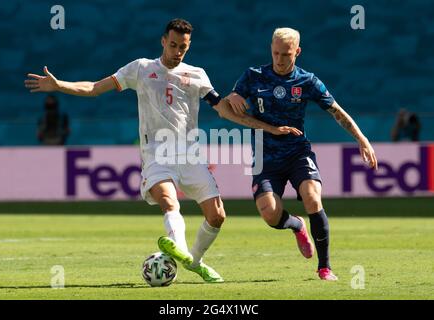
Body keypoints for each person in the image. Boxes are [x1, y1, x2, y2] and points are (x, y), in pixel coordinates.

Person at [24, 19, 301, 283]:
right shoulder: (140, 69)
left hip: (190, 155)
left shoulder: (197, 75)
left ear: (188, 46)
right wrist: (60, 85)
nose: (178, 51)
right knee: (170, 202)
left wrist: (267, 127)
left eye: (183, 47)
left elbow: (224, 111)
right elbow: (96, 88)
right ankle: (179, 247)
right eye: (173, 45)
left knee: (217, 215)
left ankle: (194, 260)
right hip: (157, 153)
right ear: (163, 41)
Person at [227, 27, 378, 281]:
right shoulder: (253, 76)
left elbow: (336, 111)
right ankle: (297, 225)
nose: (279, 59)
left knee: (312, 198)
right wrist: (232, 96)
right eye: (275, 53)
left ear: (297, 52)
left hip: (297, 152)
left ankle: (325, 267)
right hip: (265, 157)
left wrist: (362, 139)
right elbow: (232, 104)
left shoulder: (307, 81)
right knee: (269, 214)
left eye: (286, 54)